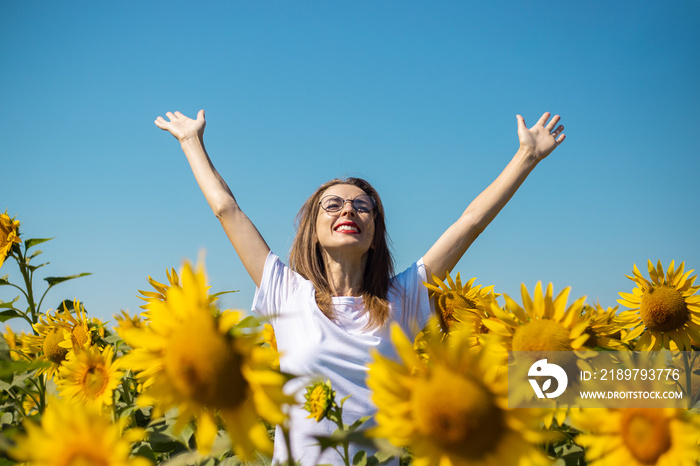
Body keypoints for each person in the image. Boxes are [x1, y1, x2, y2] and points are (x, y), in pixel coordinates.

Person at [155, 110, 565, 465]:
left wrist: (526, 157)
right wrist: (191, 141)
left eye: (362, 205)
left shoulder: (402, 299)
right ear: (313, 232)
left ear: (374, 234)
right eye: (332, 205)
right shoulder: (284, 290)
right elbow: (227, 209)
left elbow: (469, 222)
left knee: (610, 380)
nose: (348, 209)